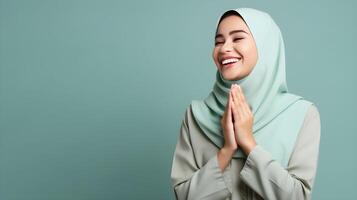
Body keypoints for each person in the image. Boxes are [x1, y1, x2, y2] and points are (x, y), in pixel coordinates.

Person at [170, 8, 321, 200]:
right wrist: (226, 151)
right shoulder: (195, 116)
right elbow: (183, 197)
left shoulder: (301, 114)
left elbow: (297, 197)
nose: (224, 48)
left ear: (265, 45)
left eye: (237, 38)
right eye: (218, 41)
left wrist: (248, 143)